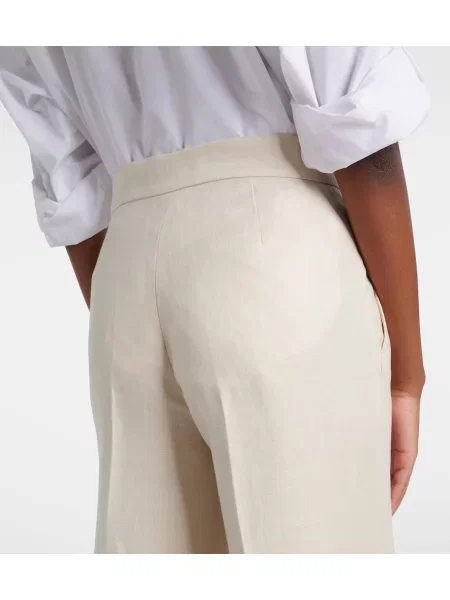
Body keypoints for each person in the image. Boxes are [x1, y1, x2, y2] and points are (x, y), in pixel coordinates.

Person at [0, 46, 428, 554]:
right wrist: (406, 377)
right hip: (275, 247)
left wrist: (137, 322)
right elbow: (357, 117)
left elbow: (69, 179)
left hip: (124, 272)